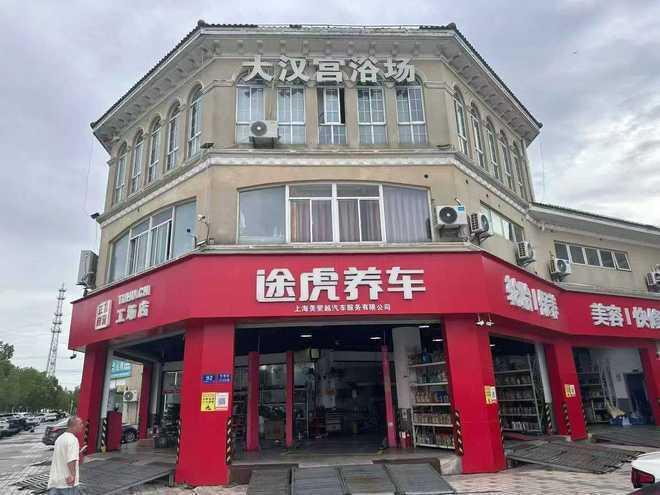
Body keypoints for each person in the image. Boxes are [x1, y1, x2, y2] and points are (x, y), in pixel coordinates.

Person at [47, 416, 84, 495]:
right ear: (73, 426)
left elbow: (62, 456)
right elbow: (71, 460)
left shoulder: (60, 438)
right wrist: (72, 476)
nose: (82, 426)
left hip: (55, 482)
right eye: (80, 424)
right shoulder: (73, 440)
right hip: (67, 483)